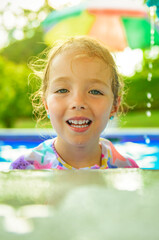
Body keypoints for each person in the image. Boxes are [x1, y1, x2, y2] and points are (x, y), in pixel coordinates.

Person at [10, 36, 139, 170]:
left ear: (114, 106)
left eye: (95, 91)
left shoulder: (126, 169)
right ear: (46, 105)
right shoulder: (26, 169)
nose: (78, 102)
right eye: (62, 90)